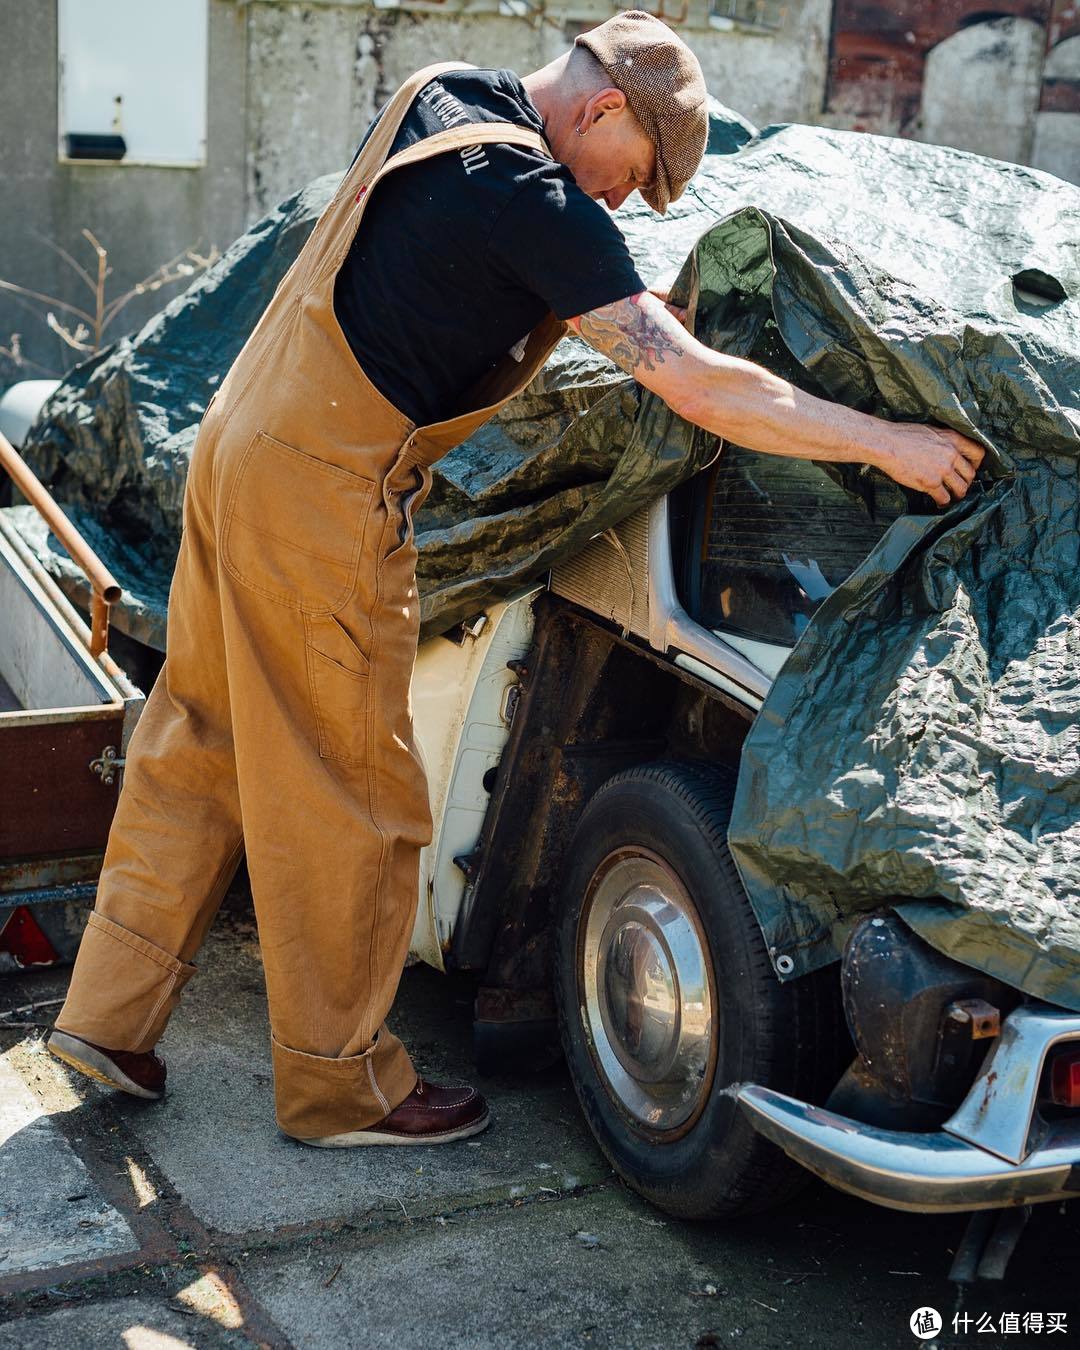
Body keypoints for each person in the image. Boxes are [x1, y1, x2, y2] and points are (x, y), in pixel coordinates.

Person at [48, 12, 984, 1147]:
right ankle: (339, 1085)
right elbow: (688, 382)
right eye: (634, 176)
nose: (625, 206)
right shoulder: (530, 196)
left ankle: (105, 1018)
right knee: (355, 794)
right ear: (599, 110)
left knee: (197, 739)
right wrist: (886, 442)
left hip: (238, 445)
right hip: (323, 494)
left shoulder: (443, 95)